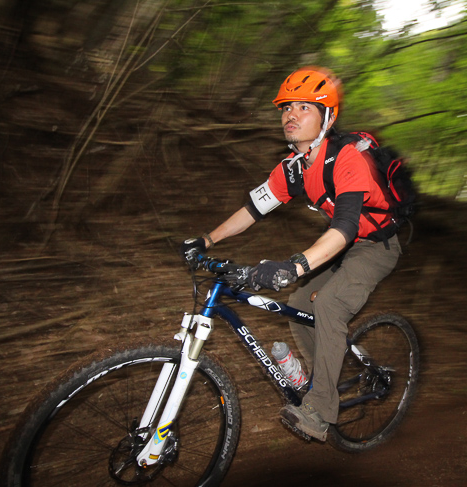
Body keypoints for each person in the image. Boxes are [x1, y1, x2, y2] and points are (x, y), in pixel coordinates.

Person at [180, 66, 401, 442]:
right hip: (338, 242)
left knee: (329, 304)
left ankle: (320, 410)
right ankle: (321, 380)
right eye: (286, 108)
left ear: (327, 117)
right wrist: (207, 240)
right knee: (300, 303)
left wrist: (295, 265)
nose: (291, 115)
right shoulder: (293, 168)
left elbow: (346, 227)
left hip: (375, 245)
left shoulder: (347, 158)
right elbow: (252, 209)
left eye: (304, 108)